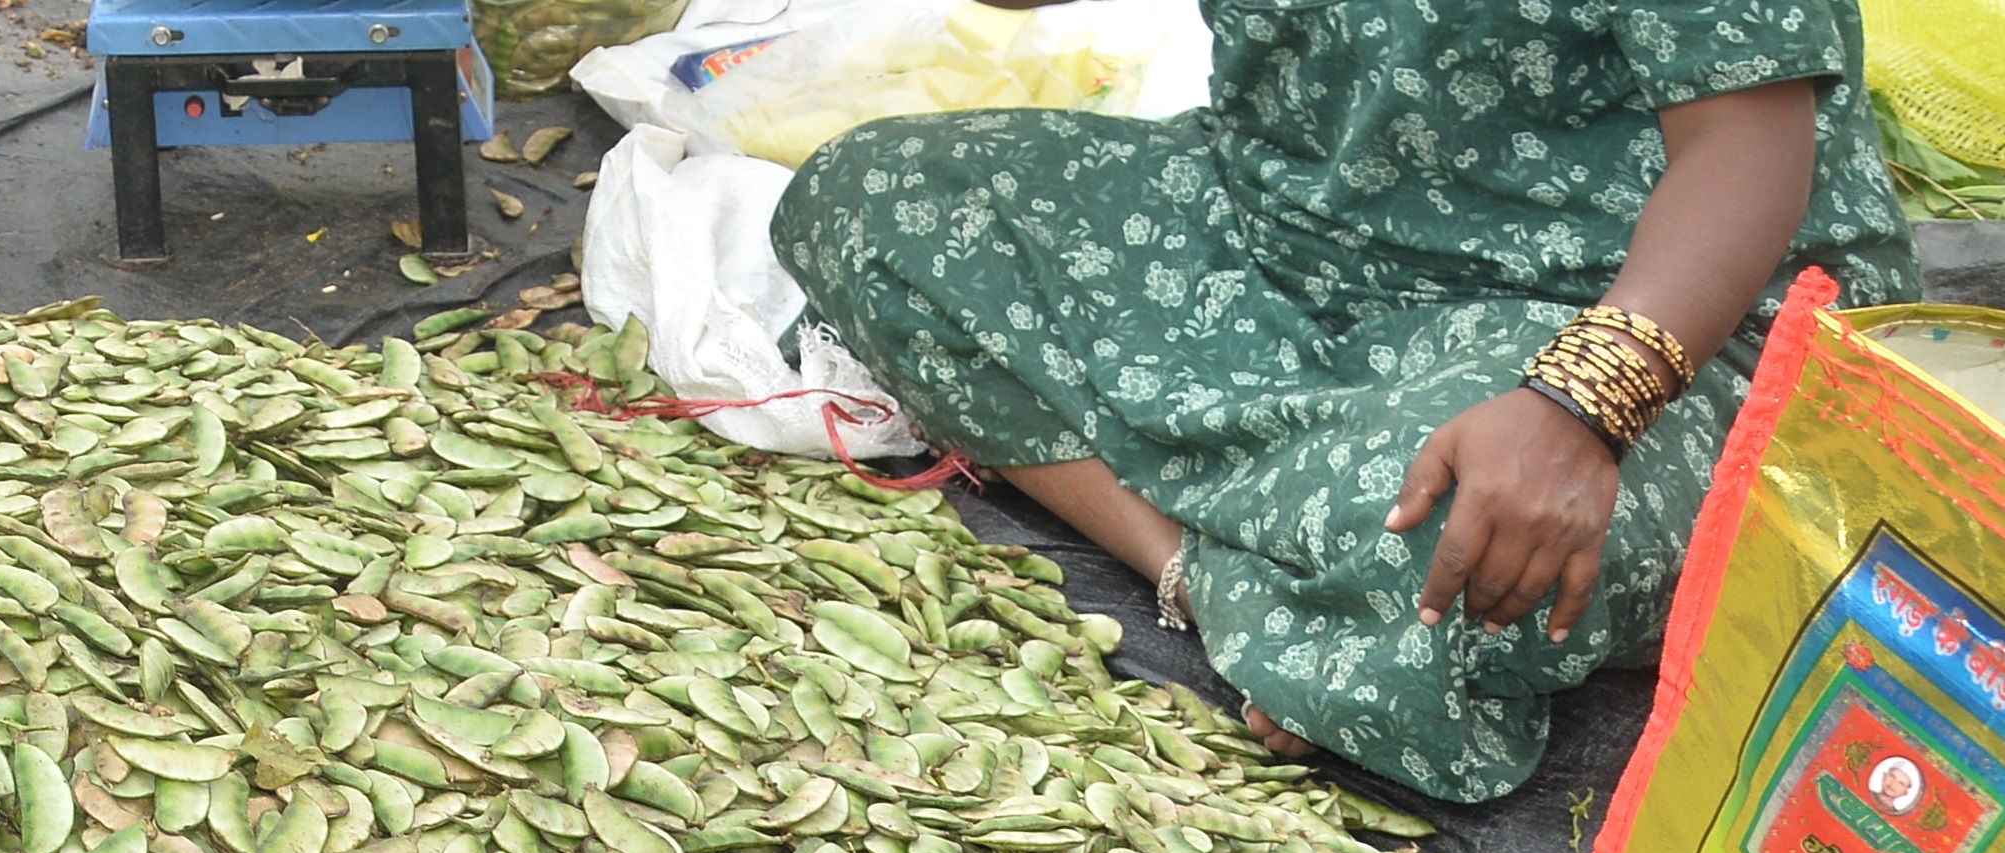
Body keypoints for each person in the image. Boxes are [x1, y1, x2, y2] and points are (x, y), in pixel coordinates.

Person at [770, 0, 1917, 800]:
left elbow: (1748, 147)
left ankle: (1307, 566)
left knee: (1448, 539)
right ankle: (1202, 574)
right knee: (874, 201)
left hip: (1636, 323)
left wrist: (1582, 407)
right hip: (1287, 251)